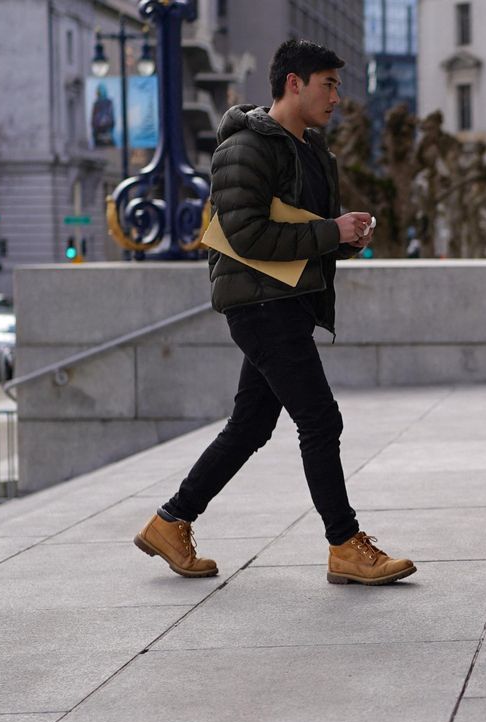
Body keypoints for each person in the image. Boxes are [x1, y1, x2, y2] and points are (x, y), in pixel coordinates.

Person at [134, 39, 415, 586]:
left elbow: (305, 233)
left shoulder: (313, 151)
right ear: (294, 83)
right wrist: (328, 232)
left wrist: (345, 236)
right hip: (260, 304)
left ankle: (171, 522)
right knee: (319, 418)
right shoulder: (245, 147)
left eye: (337, 84)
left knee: (250, 426)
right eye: (328, 84)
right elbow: (246, 233)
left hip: (286, 300)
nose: (337, 96)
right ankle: (344, 545)